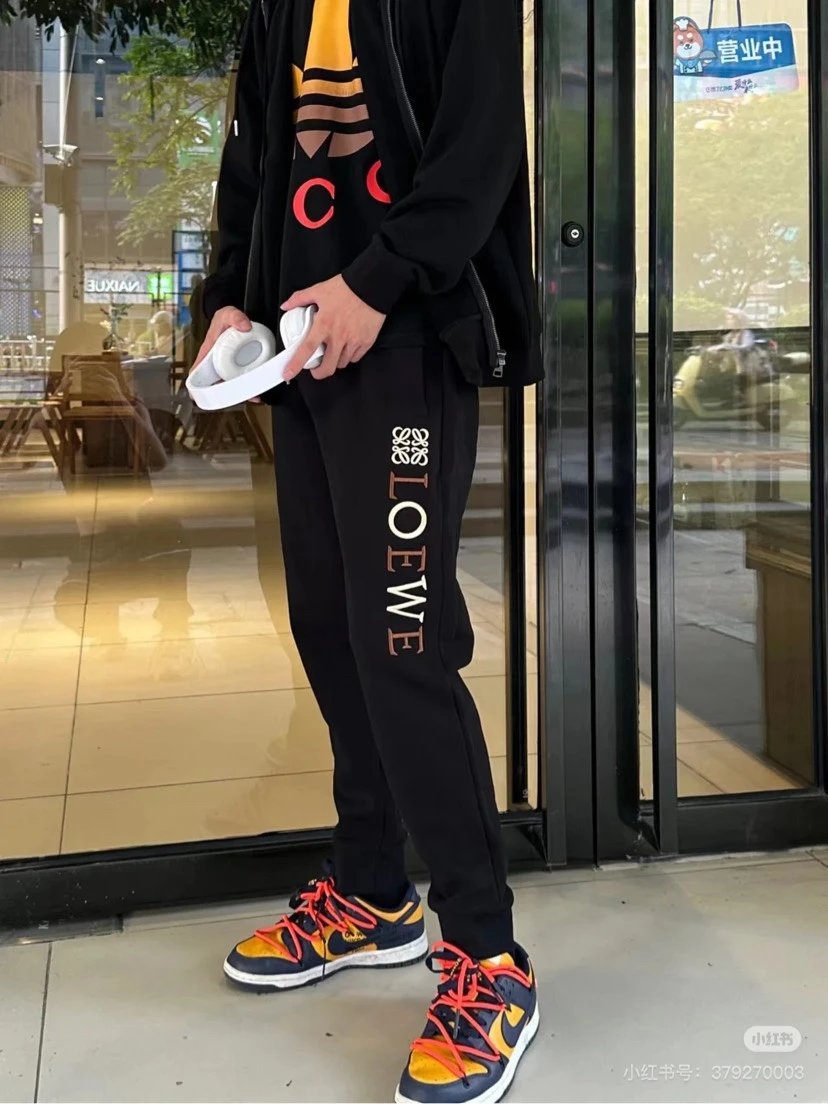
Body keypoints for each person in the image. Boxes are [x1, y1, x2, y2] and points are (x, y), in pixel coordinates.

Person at [196, 1, 542, 1101]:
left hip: (405, 342)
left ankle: (487, 955)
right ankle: (372, 892)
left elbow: (479, 154)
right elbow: (251, 161)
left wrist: (375, 282)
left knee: (401, 642)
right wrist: (228, 299)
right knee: (328, 626)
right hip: (298, 356)